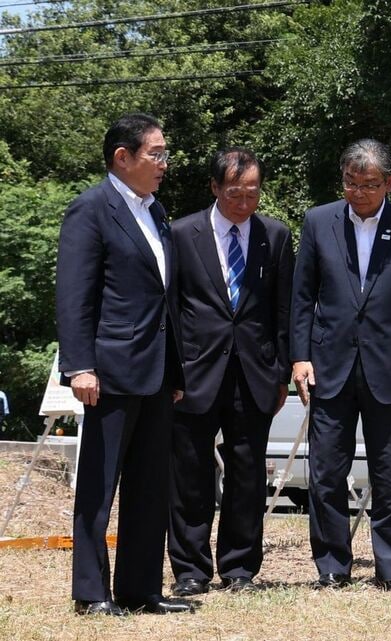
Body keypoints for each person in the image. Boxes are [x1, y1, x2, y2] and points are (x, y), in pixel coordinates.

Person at [55, 113, 192, 616]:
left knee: (150, 485)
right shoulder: (91, 209)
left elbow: (165, 298)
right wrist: (79, 366)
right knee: (99, 482)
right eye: (156, 153)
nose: (164, 163)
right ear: (123, 157)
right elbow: (74, 296)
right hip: (109, 369)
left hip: (156, 371)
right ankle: (92, 593)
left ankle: (140, 590)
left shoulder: (156, 211)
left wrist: (175, 371)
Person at [291, 138, 391, 589]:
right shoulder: (319, 222)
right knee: (325, 474)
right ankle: (333, 567)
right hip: (328, 365)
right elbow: (301, 297)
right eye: (351, 184)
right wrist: (299, 357)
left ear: (388, 183)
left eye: (369, 184)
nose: (359, 192)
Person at [167, 148, 294, 596]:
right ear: (215, 188)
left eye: (253, 192)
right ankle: (190, 569)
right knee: (190, 474)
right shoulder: (181, 234)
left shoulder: (275, 236)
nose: (245, 202)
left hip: (254, 374)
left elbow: (283, 310)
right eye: (235, 193)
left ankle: (239, 567)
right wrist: (172, 373)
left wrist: (281, 373)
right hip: (195, 372)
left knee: (247, 473)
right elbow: (171, 308)